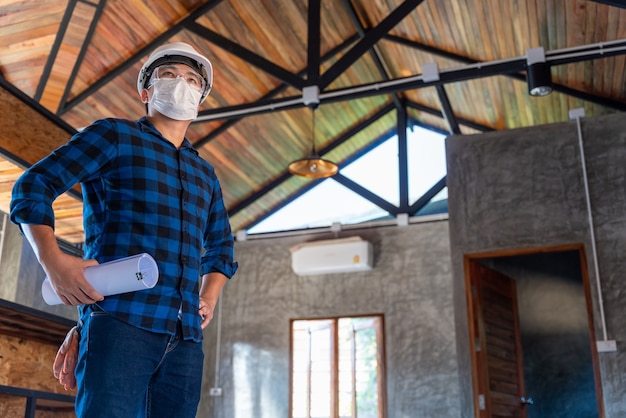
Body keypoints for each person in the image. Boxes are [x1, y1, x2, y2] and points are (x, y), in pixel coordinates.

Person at [10, 42, 238, 418]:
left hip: (185, 341)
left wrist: (209, 295)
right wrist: (54, 262)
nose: (182, 83)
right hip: (120, 325)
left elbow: (222, 247)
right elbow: (33, 186)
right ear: (145, 92)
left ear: (200, 102)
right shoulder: (114, 137)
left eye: (193, 80)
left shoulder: (205, 175)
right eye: (169, 75)